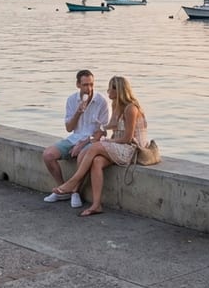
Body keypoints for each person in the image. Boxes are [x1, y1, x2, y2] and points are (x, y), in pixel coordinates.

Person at [51, 75, 148, 217]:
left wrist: (106, 142)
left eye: (110, 89)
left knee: (95, 147)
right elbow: (109, 125)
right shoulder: (117, 106)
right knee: (96, 161)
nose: (107, 92)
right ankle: (96, 205)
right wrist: (96, 128)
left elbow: (128, 138)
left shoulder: (130, 108)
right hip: (120, 147)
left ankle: (73, 183)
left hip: (131, 149)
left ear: (118, 90)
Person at [42, 69, 111, 208]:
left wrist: (83, 143)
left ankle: (75, 191)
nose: (89, 88)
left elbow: (103, 132)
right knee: (48, 155)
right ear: (78, 84)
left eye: (91, 84)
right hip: (74, 137)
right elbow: (69, 128)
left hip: (92, 140)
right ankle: (62, 189)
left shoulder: (101, 101)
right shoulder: (72, 100)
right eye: (85, 85)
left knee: (82, 156)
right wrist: (78, 113)